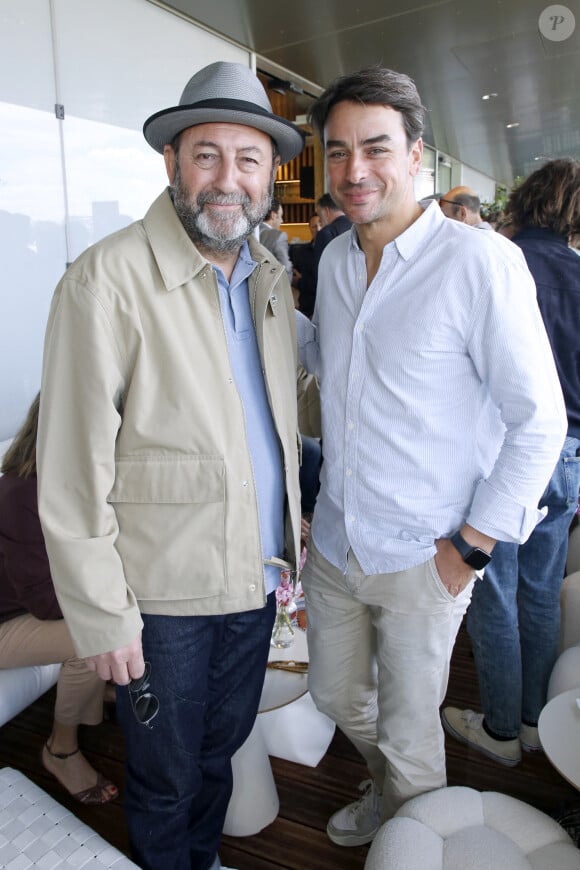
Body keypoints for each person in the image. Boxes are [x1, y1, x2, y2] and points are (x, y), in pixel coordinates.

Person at [36, 61, 304, 870]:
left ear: (268, 175)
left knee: (219, 753)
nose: (228, 178)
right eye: (207, 155)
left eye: (247, 159)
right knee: (162, 778)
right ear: (172, 163)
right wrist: (104, 616)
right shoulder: (104, 281)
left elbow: (270, 421)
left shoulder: (268, 274)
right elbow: (71, 471)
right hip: (164, 601)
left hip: (254, 581)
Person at [296, 65, 566, 848]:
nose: (354, 171)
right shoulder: (339, 260)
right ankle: (389, 794)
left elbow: (538, 421)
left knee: (415, 741)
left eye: (376, 148)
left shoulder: (479, 262)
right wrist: (266, 301)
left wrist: (471, 547)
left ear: (418, 154)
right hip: (341, 540)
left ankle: (410, 834)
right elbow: (331, 362)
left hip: (428, 553)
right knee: (335, 692)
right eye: (338, 151)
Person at [442, 158, 580, 765]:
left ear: (524, 200)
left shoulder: (492, 261)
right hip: (569, 454)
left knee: (492, 591)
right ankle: (532, 721)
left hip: (504, 453)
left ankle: (499, 729)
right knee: (541, 592)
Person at [0, 394, 117, 805]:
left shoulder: (70, 487)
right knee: (94, 634)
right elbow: (45, 603)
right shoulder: (18, 495)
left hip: (22, 609)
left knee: (109, 618)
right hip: (6, 622)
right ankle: (60, 749)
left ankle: (94, 697)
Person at [291, 213, 321, 317]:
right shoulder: (302, 252)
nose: (318, 229)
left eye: (320, 224)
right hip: (307, 307)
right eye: (314, 226)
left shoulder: (332, 250)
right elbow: (295, 277)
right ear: (310, 229)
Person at [313, 192, 352, 271]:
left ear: (327, 211)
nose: (320, 220)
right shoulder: (357, 227)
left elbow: (321, 269)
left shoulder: (325, 233)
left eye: (320, 215)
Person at [259, 195, 294, 281]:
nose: (282, 221)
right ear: (273, 216)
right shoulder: (279, 236)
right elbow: (285, 267)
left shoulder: (248, 233)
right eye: (280, 216)